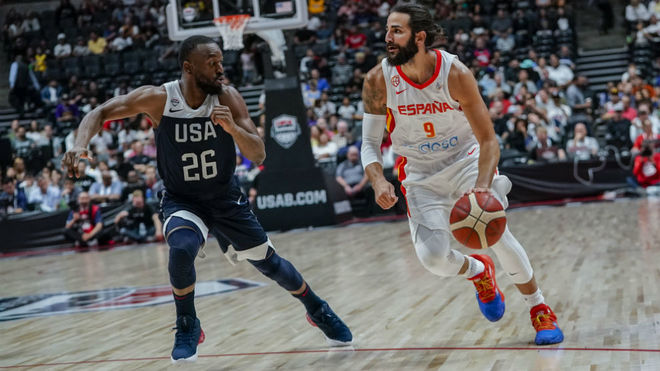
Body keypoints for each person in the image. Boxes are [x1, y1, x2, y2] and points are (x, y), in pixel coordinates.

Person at [61, 35, 352, 363]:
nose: (220, 68)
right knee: (181, 249)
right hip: (183, 199)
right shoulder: (160, 99)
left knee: (271, 264)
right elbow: (99, 113)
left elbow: (258, 154)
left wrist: (234, 130)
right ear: (188, 67)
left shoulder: (228, 97)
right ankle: (187, 323)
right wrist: (78, 145)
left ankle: (316, 308)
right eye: (211, 63)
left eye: (220, 62)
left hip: (226, 198)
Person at [360, 3, 563, 346]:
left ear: (419, 37)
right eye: (387, 30)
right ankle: (479, 272)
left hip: (467, 162)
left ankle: (539, 308)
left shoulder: (454, 73)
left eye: (397, 31)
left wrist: (482, 189)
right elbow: (368, 143)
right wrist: (379, 179)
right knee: (434, 260)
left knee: (497, 234)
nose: (387, 38)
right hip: (420, 174)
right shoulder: (378, 79)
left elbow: (488, 140)